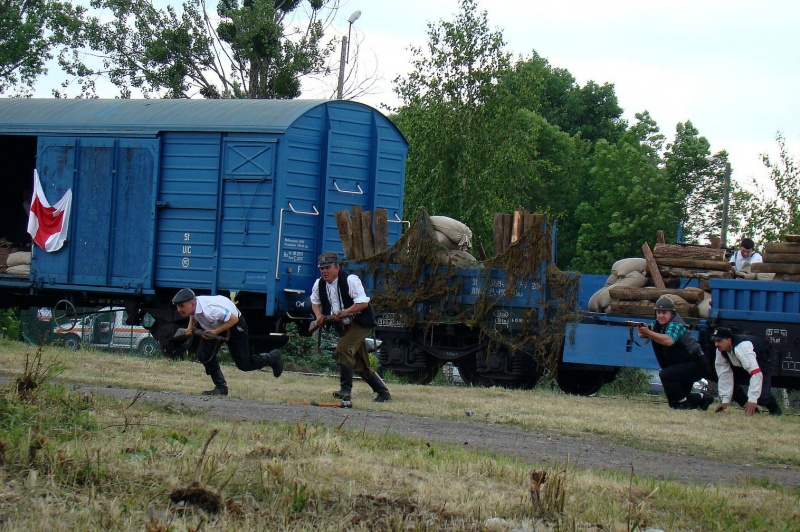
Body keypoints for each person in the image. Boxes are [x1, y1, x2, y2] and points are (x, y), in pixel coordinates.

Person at [310, 251, 391, 402]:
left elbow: (363, 303)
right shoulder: (319, 283)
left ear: (337, 267)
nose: (324, 271)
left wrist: (346, 312)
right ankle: (383, 393)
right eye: (322, 268)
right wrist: (319, 317)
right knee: (361, 364)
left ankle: (345, 390)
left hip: (359, 322)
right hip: (344, 326)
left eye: (327, 267)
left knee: (343, 349)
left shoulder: (350, 280)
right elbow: (315, 302)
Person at [172, 288, 282, 396]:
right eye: (177, 306)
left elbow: (233, 319)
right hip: (216, 325)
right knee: (205, 356)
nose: (179, 309)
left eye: (181, 306)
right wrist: (190, 327)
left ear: (192, 303)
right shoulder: (193, 305)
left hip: (234, 324)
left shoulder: (211, 310)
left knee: (244, 364)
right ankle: (221, 388)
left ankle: (271, 358)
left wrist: (215, 332)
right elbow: (193, 314)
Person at [636, 296, 713, 410]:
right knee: (675, 402)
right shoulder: (658, 324)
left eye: (664, 313)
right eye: (658, 312)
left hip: (696, 364)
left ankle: (684, 405)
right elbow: (642, 335)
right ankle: (703, 398)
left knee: (665, 375)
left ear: (672, 313)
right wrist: (642, 330)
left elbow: (668, 340)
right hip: (683, 364)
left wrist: (649, 333)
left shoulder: (676, 324)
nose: (661, 316)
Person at [711, 327, 782, 416]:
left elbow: (756, 373)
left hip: (764, 357)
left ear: (728, 340)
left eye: (719, 341)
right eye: (715, 341)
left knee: (761, 397)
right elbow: (724, 374)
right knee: (733, 388)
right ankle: (752, 410)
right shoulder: (721, 351)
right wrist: (725, 400)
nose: (716, 344)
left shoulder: (742, 348)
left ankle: (775, 411)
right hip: (743, 362)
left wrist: (752, 399)